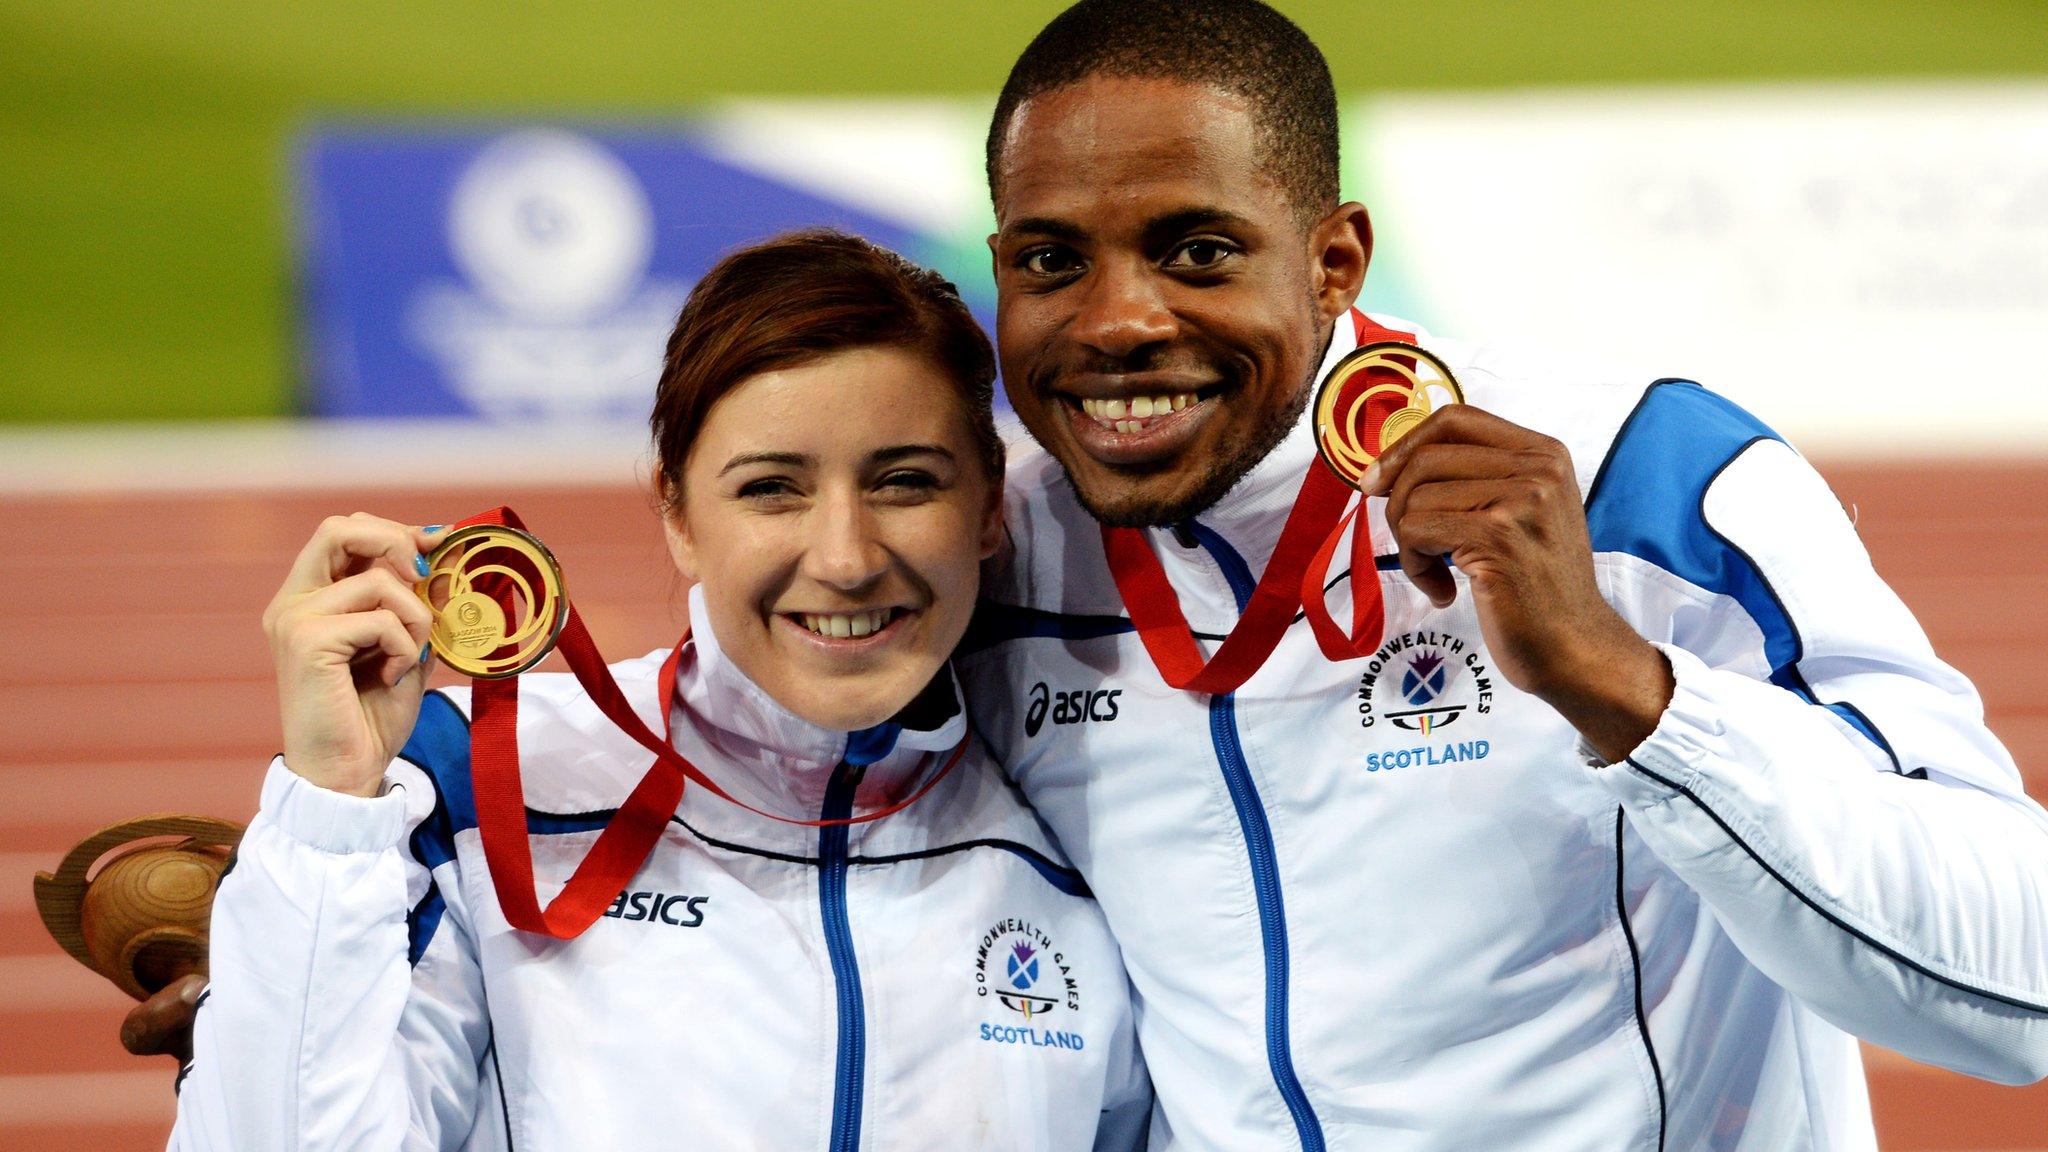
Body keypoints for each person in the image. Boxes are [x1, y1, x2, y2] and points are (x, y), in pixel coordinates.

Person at [957, 1, 2048, 1148]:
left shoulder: (1636, 480)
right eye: (1051, 260)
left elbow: (2019, 983)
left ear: (1333, 262)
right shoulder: (989, 554)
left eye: (1198, 252)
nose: (1118, 320)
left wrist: (1628, 690)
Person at [165, 230, 1150, 1150]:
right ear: (677, 514)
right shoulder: (475, 789)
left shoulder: (1085, 868)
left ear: (987, 508)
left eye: (904, 482)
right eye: (772, 488)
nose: (846, 559)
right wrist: (327, 824)